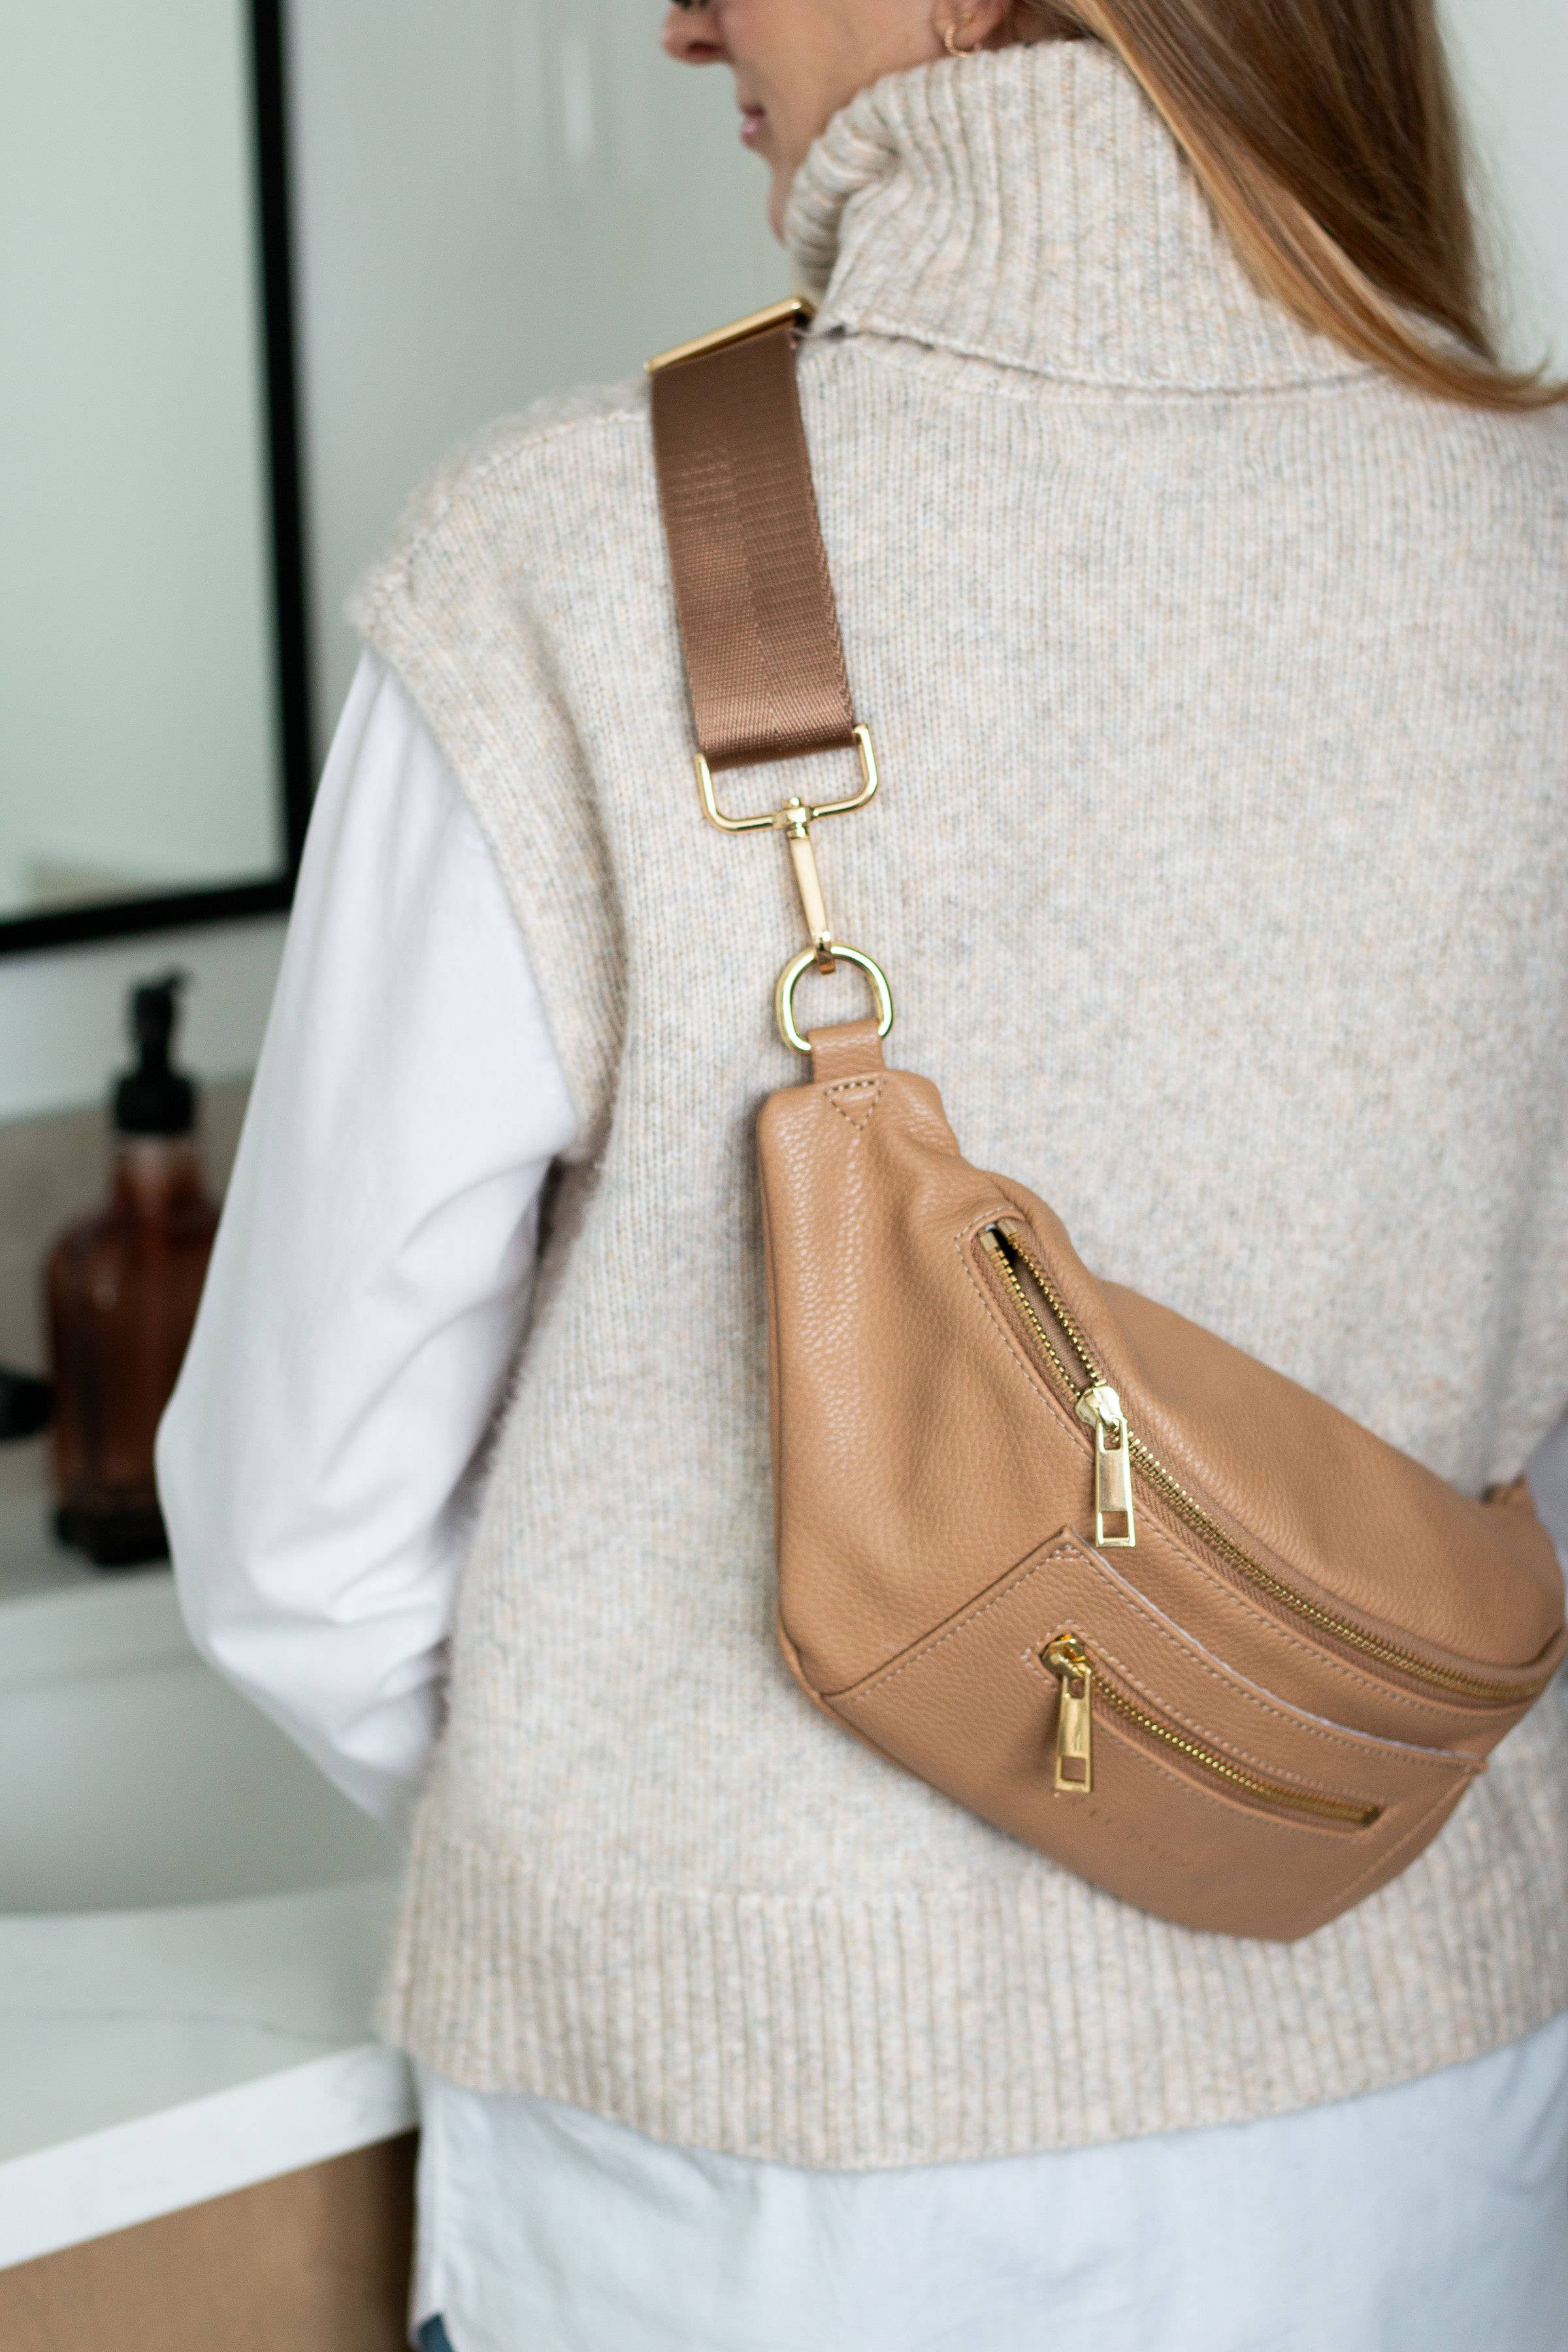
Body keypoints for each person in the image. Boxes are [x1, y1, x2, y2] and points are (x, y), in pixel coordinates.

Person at [158, 4, 1568, 2346]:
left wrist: (676, 1859)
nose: (684, 17)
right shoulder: (1538, 539)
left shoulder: (585, 552)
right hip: (1437, 2140)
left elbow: (294, 1548)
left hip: (756, 2209)